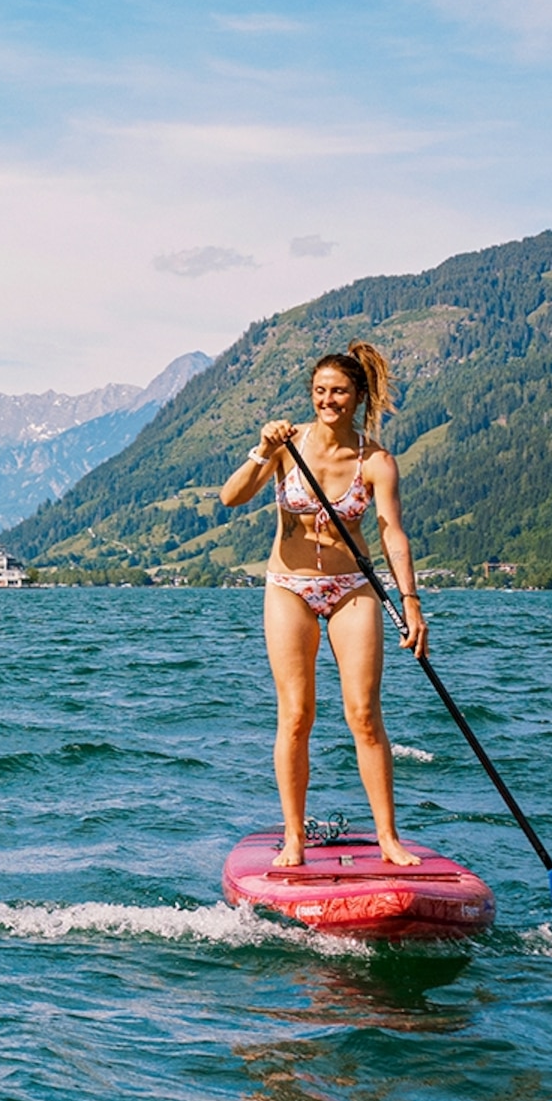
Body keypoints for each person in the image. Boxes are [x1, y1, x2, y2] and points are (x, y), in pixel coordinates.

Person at [217, 342, 429, 870]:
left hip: (352, 588)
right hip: (288, 586)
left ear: (358, 397)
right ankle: (293, 836)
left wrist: (411, 601)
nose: (327, 400)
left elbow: (391, 534)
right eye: (319, 391)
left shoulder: (376, 461)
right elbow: (231, 497)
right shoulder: (288, 446)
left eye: (338, 392)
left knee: (363, 714)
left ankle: (388, 838)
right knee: (296, 716)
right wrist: (261, 449)